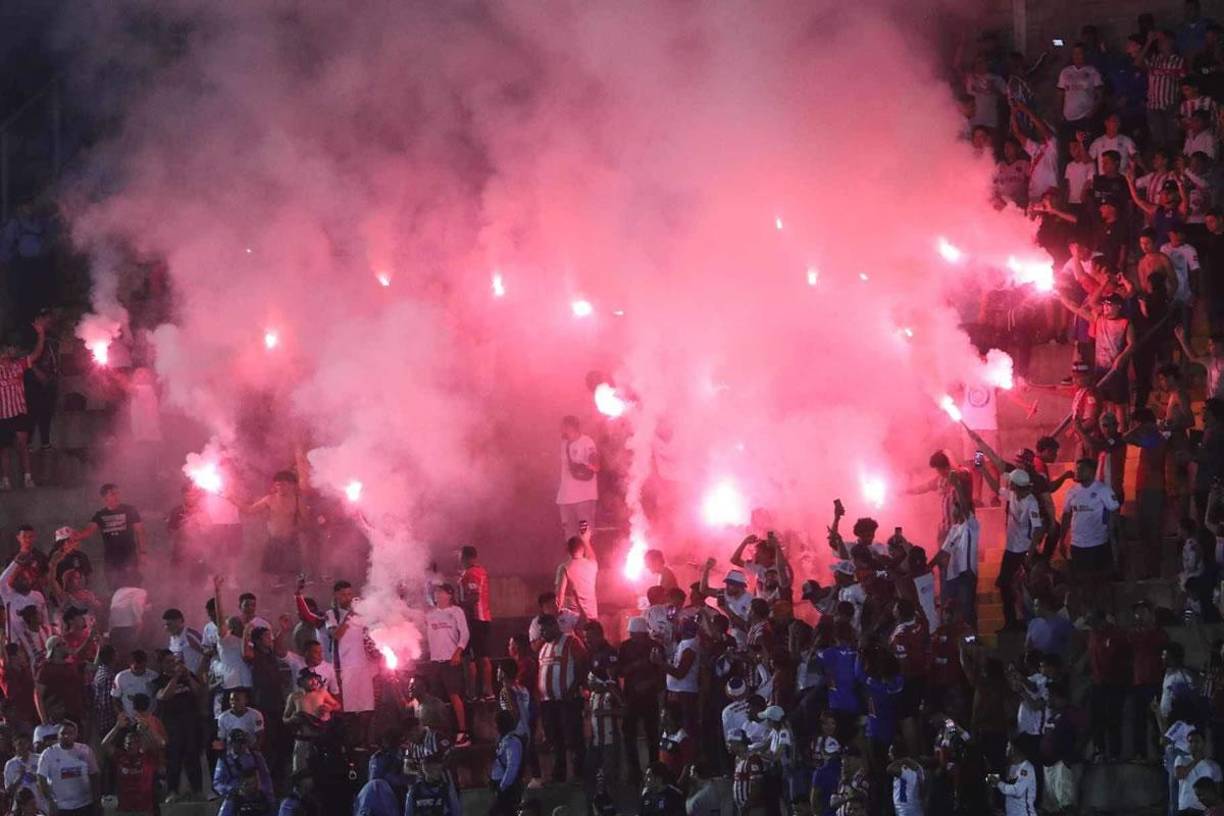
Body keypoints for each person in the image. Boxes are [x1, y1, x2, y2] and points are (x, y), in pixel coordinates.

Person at [1058, 458, 1120, 607]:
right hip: (1078, 545)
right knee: (1081, 582)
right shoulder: (1072, 492)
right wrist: (1062, 539)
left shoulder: (1103, 490)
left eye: (1082, 469)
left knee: (1101, 582)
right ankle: (1087, 612)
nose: (1077, 472)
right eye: (1077, 469)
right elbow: (1066, 515)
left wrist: (1115, 538)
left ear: (1091, 472)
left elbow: (1114, 513)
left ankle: (1105, 612)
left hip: (1098, 544)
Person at [323, 579, 378, 744]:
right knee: (347, 710)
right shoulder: (331, 614)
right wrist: (350, 615)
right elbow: (336, 635)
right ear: (336, 596)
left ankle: (365, 742)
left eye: (349, 594)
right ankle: (349, 744)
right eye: (343, 595)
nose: (347, 598)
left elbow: (369, 636)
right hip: (344, 668)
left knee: (367, 707)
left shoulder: (362, 614)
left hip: (364, 667)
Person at [536, 614, 586, 783]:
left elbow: (582, 666)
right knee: (555, 739)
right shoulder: (544, 647)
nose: (542, 634)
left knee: (574, 737)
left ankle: (579, 773)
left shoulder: (571, 642)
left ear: (553, 626)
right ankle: (559, 774)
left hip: (568, 701)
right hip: (549, 702)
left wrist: (573, 689)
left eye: (544, 630)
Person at [0, 319, 46, 490]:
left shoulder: (18, 365)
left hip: (19, 411)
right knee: (3, 449)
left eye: (13, 348)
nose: (12, 351)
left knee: (23, 445)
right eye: (9, 348)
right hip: (2, 414)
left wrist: (41, 334)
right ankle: (5, 480)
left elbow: (36, 354)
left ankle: (28, 478)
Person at [72, 483, 146, 589]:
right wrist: (76, 536)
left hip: (129, 557)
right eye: (113, 494)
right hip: (111, 559)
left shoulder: (130, 510)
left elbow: (140, 531)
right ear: (105, 498)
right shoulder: (100, 515)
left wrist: (143, 552)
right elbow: (88, 531)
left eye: (118, 493)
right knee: (114, 587)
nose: (117, 496)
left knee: (133, 586)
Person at [424, 583, 470, 747]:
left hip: (451, 660)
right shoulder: (430, 614)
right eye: (436, 593)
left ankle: (463, 732)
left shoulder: (456, 612)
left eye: (441, 592)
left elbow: (465, 634)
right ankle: (439, 733)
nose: (438, 595)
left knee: (454, 695)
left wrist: (458, 652)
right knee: (436, 698)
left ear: (449, 595)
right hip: (435, 661)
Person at [102, 715, 162, 816]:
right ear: (125, 745)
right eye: (128, 743)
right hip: (125, 809)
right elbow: (104, 745)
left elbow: (160, 744)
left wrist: (146, 729)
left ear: (139, 744)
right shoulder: (120, 756)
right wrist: (117, 727)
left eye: (134, 742)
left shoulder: (147, 757)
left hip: (145, 809)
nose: (131, 745)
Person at [36, 720, 98, 816]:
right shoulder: (48, 753)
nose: (66, 736)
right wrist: (50, 801)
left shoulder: (85, 750)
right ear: (58, 735)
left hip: (85, 804)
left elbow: (94, 775)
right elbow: (41, 778)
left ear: (76, 735)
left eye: (70, 733)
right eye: (63, 733)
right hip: (62, 807)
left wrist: (97, 800)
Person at [457, 545, 494, 702]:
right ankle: (477, 692)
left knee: (478, 657)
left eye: (460, 556)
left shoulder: (472, 573)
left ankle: (483, 691)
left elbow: (473, 597)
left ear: (465, 557)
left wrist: (457, 606)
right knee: (473, 657)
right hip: (476, 619)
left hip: (476, 620)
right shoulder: (477, 571)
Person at [557, 415, 600, 540]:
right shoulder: (564, 444)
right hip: (565, 498)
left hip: (584, 498)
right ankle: (575, 553)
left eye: (563, 426)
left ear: (570, 427)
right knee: (570, 536)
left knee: (585, 533)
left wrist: (587, 464)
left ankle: (587, 553)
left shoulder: (587, 442)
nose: (561, 429)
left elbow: (596, 465)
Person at [1058, 43, 1104, 137]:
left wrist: (1092, 111)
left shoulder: (1092, 71)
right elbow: (1060, 94)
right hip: (1068, 116)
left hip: (1085, 116)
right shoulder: (1065, 72)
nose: (1077, 56)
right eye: (1075, 53)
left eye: (1079, 53)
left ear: (1084, 54)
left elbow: (1100, 95)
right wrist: (1060, 112)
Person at [1176, 729, 1223, 814]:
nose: (1193, 744)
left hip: (1204, 809)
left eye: (1197, 741)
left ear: (1203, 743)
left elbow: (1218, 790)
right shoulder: (1181, 759)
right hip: (1185, 807)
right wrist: (1197, 760)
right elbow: (1180, 775)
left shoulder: (1213, 765)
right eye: (1190, 742)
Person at [554, 534, 598, 622]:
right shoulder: (593, 564)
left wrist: (556, 613)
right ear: (583, 549)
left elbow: (560, 595)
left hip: (574, 617)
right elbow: (592, 556)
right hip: (592, 614)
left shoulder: (565, 568)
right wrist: (586, 540)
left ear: (567, 550)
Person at [489, 709, 525, 815]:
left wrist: (502, 786)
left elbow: (512, 767)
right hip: (500, 786)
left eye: (496, 723)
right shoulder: (502, 740)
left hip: (508, 788)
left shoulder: (512, 742)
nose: (494, 726)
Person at [988, 739, 1037, 816]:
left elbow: (1017, 791)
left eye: (1008, 746)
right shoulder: (1010, 766)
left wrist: (998, 783)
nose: (1006, 749)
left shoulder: (1027, 768)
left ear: (1013, 749)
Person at [4, 733, 46, 813]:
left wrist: (37, 778)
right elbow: (9, 792)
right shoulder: (10, 765)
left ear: (29, 744)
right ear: (14, 745)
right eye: (20, 744)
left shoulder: (39, 759)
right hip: (20, 808)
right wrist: (19, 778)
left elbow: (50, 781)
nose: (22, 747)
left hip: (40, 805)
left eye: (25, 743)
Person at [111, 649, 156, 718]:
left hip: (149, 719)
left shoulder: (154, 677)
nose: (139, 670)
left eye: (142, 667)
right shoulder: (120, 677)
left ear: (146, 663)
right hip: (129, 719)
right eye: (136, 668)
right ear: (129, 663)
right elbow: (115, 699)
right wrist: (122, 715)